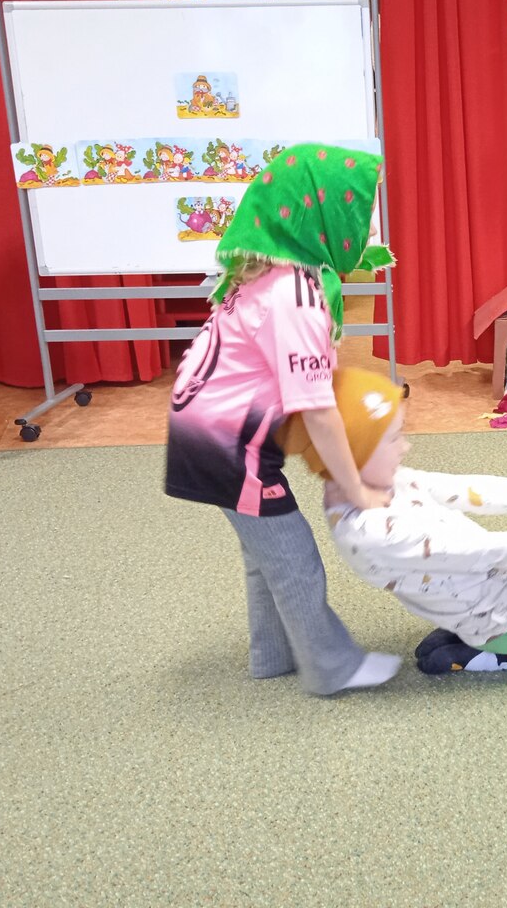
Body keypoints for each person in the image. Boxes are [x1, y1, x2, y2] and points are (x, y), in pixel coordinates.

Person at [164, 143, 402, 695]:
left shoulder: (276, 275)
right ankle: (332, 668)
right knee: (294, 558)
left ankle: (271, 656)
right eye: (359, 211)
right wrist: (356, 488)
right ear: (320, 215)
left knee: (263, 552)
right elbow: (317, 410)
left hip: (210, 430)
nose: (369, 226)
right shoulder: (294, 297)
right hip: (226, 444)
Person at [282, 367, 507, 675]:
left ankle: (463, 635)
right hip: (502, 616)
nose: (405, 447)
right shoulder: (372, 533)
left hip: (504, 582)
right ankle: (499, 658)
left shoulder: (383, 481)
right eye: (393, 439)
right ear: (349, 457)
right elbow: (484, 550)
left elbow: (471, 490)